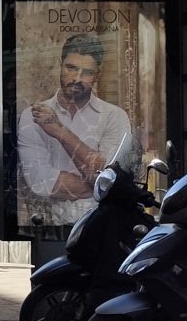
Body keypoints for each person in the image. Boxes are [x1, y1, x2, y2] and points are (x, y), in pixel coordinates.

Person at [16, 32, 132, 225]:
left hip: (102, 225)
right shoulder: (33, 116)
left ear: (97, 76)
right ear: (60, 65)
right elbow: (40, 181)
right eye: (71, 68)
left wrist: (60, 132)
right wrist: (96, 186)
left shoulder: (114, 116)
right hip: (50, 226)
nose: (77, 78)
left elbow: (109, 177)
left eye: (87, 72)